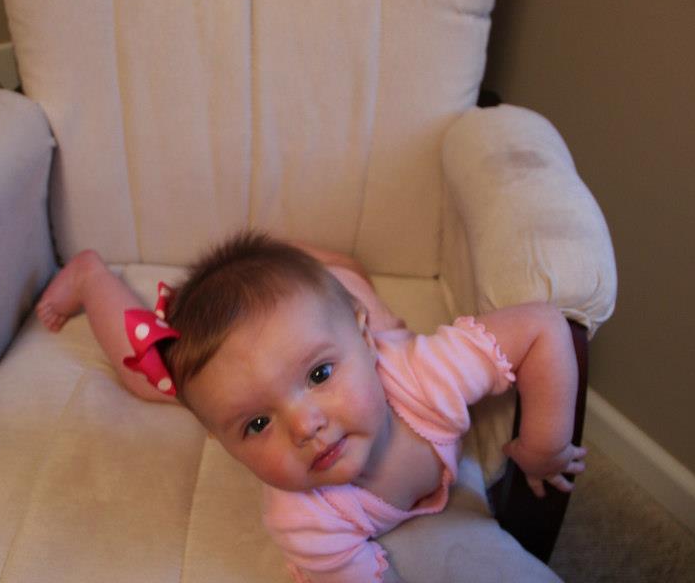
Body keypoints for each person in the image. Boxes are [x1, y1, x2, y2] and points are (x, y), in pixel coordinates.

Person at [36, 231, 586, 582]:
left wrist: (545, 444)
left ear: (364, 345)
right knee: (150, 374)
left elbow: (541, 327)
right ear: (219, 441)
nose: (305, 426)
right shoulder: (306, 521)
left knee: (342, 275)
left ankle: (296, 262)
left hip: (348, 306)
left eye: (320, 376)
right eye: (257, 423)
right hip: (302, 335)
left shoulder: (429, 375)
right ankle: (91, 278)